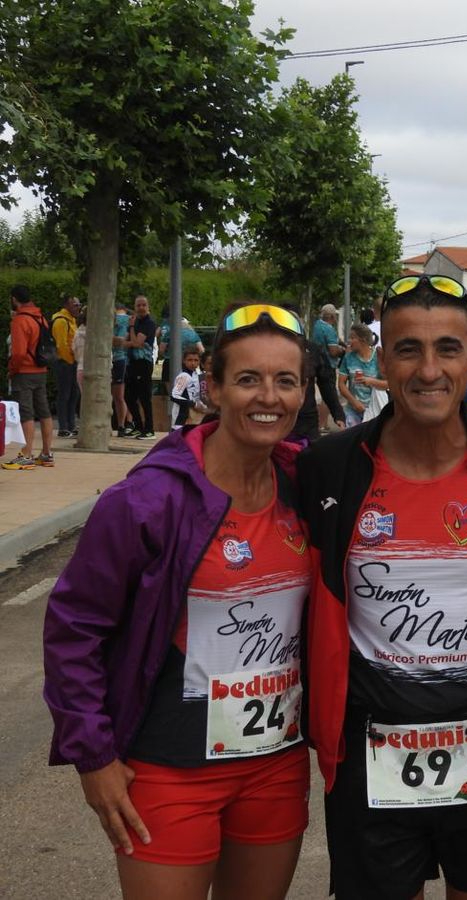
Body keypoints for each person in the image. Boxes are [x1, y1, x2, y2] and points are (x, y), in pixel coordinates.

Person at [296, 273, 467, 900]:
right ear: (381, 363)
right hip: (369, 747)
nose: (428, 370)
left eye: (447, 349)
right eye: (408, 349)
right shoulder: (327, 467)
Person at [43, 303, 313, 899]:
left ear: (303, 392)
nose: (268, 397)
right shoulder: (146, 501)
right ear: (212, 387)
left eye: (285, 380)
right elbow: (74, 629)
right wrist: (94, 758)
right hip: (169, 768)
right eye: (248, 379)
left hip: (275, 762)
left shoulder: (307, 483)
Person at [3, 284, 55, 469]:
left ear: (14, 299)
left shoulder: (20, 320)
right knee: (44, 411)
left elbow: (18, 353)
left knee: (26, 413)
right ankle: (47, 454)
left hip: (24, 372)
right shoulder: (40, 318)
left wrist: (12, 370)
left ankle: (26, 455)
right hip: (41, 370)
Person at [337, 323, 386, 428]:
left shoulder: (377, 358)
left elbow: (389, 384)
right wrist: (354, 402)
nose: (349, 341)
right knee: (353, 437)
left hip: (374, 410)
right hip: (353, 411)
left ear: (363, 340)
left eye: (352, 338)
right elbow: (341, 384)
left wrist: (370, 381)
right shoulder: (348, 358)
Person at [125, 295, 157, 439]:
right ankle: (138, 426)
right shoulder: (135, 321)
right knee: (129, 396)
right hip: (132, 362)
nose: (141, 308)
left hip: (144, 363)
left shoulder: (149, 323)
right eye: (138, 305)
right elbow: (124, 342)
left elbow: (137, 343)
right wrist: (131, 341)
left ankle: (149, 429)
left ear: (148, 306)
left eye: (144, 305)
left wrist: (132, 330)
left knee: (144, 397)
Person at [50, 293, 81, 437]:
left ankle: (71, 425)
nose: (78, 307)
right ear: (66, 305)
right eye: (75, 305)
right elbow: (61, 345)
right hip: (64, 363)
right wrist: (70, 361)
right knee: (64, 394)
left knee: (73, 394)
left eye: (79, 305)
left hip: (72, 362)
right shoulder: (61, 321)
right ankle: (63, 427)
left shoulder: (72, 320)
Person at [313, 303, 348, 432]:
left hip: (318, 363)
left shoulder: (317, 325)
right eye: (335, 316)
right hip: (328, 365)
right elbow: (333, 351)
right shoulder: (329, 329)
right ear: (332, 317)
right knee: (330, 395)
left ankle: (322, 423)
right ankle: (333, 423)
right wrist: (344, 350)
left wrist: (341, 343)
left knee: (325, 394)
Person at [168, 345, 212, 429]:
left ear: (199, 362)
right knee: (178, 436)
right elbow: (174, 396)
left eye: (196, 360)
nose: (193, 363)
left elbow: (196, 395)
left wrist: (203, 407)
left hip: (193, 417)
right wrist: (193, 404)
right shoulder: (184, 376)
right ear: (184, 361)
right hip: (181, 418)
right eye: (190, 360)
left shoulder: (197, 376)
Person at [112, 301, 133, 437]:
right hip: (122, 359)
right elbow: (121, 340)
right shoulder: (129, 319)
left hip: (116, 358)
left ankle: (120, 425)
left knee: (115, 396)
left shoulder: (120, 320)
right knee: (120, 396)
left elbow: (120, 340)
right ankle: (123, 425)